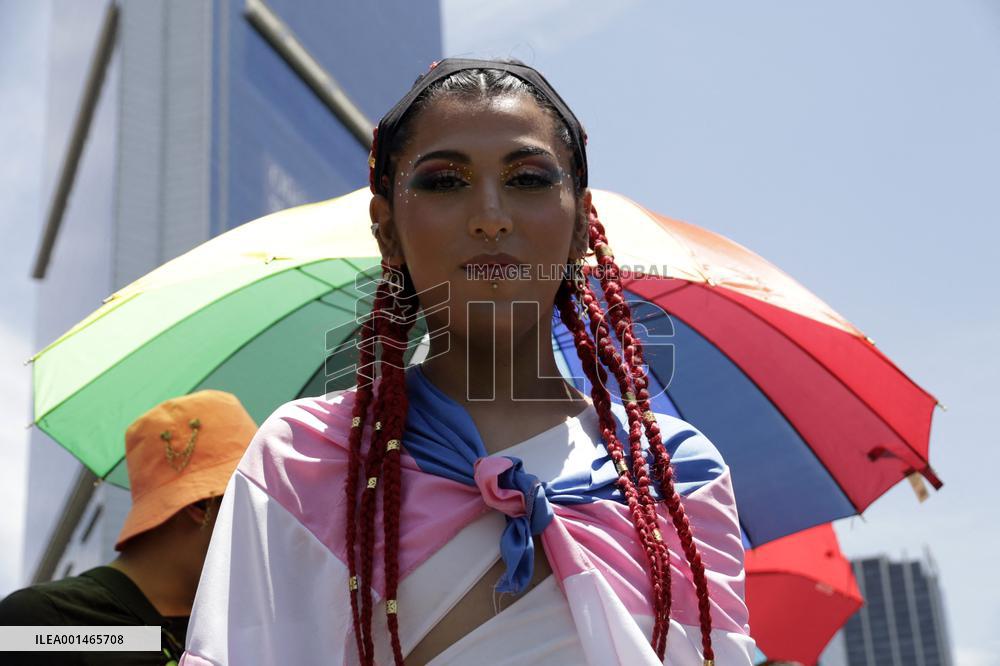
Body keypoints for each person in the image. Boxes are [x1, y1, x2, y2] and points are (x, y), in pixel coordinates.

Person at [180, 58, 756, 665]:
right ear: (387, 232)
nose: (490, 217)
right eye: (444, 181)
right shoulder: (307, 457)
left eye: (529, 179)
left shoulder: (677, 475)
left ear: (583, 224)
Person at [0, 390, 257, 665]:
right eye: (255, 503)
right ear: (202, 505)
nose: (266, 524)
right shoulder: (35, 624)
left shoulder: (247, 632)